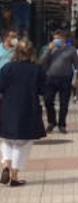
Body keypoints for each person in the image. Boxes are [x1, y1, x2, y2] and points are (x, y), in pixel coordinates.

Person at [0, 39, 47, 187]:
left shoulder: (7, 68)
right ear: (32, 52)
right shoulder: (37, 69)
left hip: (8, 107)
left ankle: (5, 165)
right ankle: (14, 176)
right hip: (28, 108)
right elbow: (43, 90)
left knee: (7, 139)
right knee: (23, 142)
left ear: (16, 52)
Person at [40, 30, 78, 134]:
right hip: (50, 78)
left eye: (59, 38)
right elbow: (41, 62)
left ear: (64, 39)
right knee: (48, 101)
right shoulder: (47, 48)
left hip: (65, 79)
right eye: (55, 38)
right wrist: (49, 50)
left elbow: (77, 66)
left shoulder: (71, 50)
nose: (56, 40)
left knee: (64, 103)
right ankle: (51, 122)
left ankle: (62, 124)